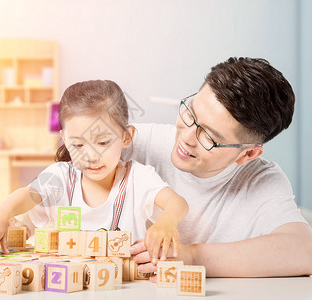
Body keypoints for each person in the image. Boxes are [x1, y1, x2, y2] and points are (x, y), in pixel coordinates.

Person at [0, 80, 189, 265]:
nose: (90, 156)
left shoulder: (138, 178)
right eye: (78, 145)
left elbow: (177, 204)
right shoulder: (60, 176)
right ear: (64, 139)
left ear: (126, 136)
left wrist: (166, 222)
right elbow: (27, 194)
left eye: (102, 142)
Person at [128, 57, 312, 279]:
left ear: (248, 154)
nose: (186, 137)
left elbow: (303, 251)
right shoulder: (135, 142)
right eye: (190, 114)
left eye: (209, 136)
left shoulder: (260, 181)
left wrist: (192, 257)